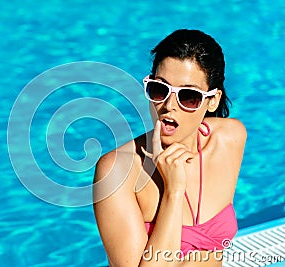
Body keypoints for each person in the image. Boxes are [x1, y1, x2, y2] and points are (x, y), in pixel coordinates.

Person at [93, 29, 247, 266]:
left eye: (188, 96)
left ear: (212, 100)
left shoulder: (229, 139)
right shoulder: (119, 170)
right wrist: (173, 191)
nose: (168, 105)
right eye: (159, 89)